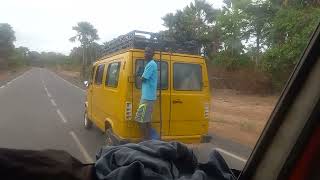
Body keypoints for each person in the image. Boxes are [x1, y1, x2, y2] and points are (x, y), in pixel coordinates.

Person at [135, 47, 158, 140]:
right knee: (146, 120)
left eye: (148, 52)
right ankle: (149, 140)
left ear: (153, 54)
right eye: (145, 52)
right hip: (148, 97)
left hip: (147, 98)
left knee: (139, 119)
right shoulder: (150, 64)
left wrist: (137, 74)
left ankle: (145, 139)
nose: (145, 54)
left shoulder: (151, 64)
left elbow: (143, 79)